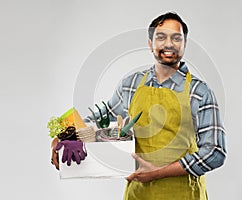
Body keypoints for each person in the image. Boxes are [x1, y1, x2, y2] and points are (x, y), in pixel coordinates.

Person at [51, 12, 227, 200]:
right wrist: (64, 134)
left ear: (184, 44)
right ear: (151, 44)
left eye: (176, 38)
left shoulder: (199, 91)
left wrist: (158, 172)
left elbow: (215, 152)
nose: (169, 44)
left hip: (183, 193)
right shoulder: (131, 84)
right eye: (161, 37)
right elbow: (103, 117)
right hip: (138, 194)